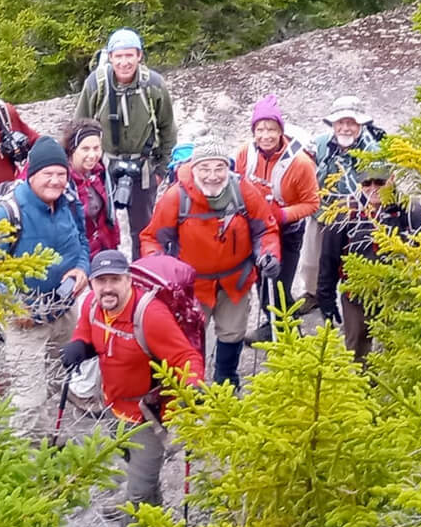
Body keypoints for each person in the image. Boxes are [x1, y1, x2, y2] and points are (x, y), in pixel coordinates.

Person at [59, 249, 205, 527]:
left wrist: (192, 385)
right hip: (114, 407)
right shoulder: (93, 306)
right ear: (93, 284)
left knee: (136, 494)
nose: (107, 288)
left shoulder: (148, 314)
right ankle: (155, 516)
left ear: (128, 280)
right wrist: (80, 345)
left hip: (150, 417)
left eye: (115, 280)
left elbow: (186, 357)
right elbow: (87, 329)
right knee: (138, 475)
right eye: (101, 281)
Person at [139, 138, 280, 389]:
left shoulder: (244, 191)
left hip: (235, 280)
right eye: (205, 168)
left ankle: (226, 380)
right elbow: (152, 238)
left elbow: (265, 230)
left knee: (233, 332)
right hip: (192, 286)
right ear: (194, 169)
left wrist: (268, 255)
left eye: (219, 168)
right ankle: (194, 385)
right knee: (191, 337)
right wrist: (158, 268)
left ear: (229, 168)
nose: (212, 176)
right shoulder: (176, 197)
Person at [0, 137, 89, 430]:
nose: (56, 181)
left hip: (64, 309)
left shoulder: (70, 202)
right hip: (24, 317)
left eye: (61, 174)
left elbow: (82, 242)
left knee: (57, 378)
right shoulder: (7, 212)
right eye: (49, 174)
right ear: (32, 175)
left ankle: (47, 436)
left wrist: (82, 270)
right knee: (27, 399)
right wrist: (11, 304)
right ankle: (26, 460)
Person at [316, 162, 421, 364]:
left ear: (392, 180)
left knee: (400, 347)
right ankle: (363, 391)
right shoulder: (345, 214)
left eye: (379, 182)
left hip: (400, 292)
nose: (373, 189)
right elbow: (329, 259)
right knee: (357, 350)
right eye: (367, 183)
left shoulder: (412, 212)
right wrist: (325, 299)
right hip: (356, 293)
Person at [74, 29, 177, 255]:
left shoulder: (154, 85)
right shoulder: (96, 84)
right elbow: (80, 127)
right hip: (103, 164)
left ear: (139, 56)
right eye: (118, 56)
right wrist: (82, 169)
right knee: (99, 224)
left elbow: (167, 128)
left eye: (129, 55)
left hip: (144, 165)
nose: (124, 62)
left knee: (144, 229)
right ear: (110, 57)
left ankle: (143, 274)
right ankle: (106, 274)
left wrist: (160, 169)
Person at [234, 94, 319, 343]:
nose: (266, 135)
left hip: (288, 230)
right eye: (260, 129)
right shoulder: (245, 154)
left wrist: (282, 214)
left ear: (281, 130)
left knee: (280, 282)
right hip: (257, 229)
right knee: (262, 280)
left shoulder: (300, 163)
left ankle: (290, 334)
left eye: (271, 129)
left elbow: (312, 203)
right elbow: (235, 185)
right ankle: (273, 324)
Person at [296, 95, 380, 314]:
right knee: (311, 262)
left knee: (354, 262)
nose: (345, 128)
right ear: (332, 124)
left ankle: (357, 303)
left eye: (350, 123)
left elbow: (377, 189)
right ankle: (313, 294)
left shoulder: (373, 150)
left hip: (359, 217)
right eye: (340, 123)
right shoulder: (320, 144)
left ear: (360, 124)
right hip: (322, 213)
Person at [61, 118, 121, 258]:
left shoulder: (100, 172)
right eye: (85, 149)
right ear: (72, 149)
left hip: (102, 248)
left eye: (96, 148)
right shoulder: (62, 179)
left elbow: (108, 217)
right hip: (76, 254)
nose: (92, 155)